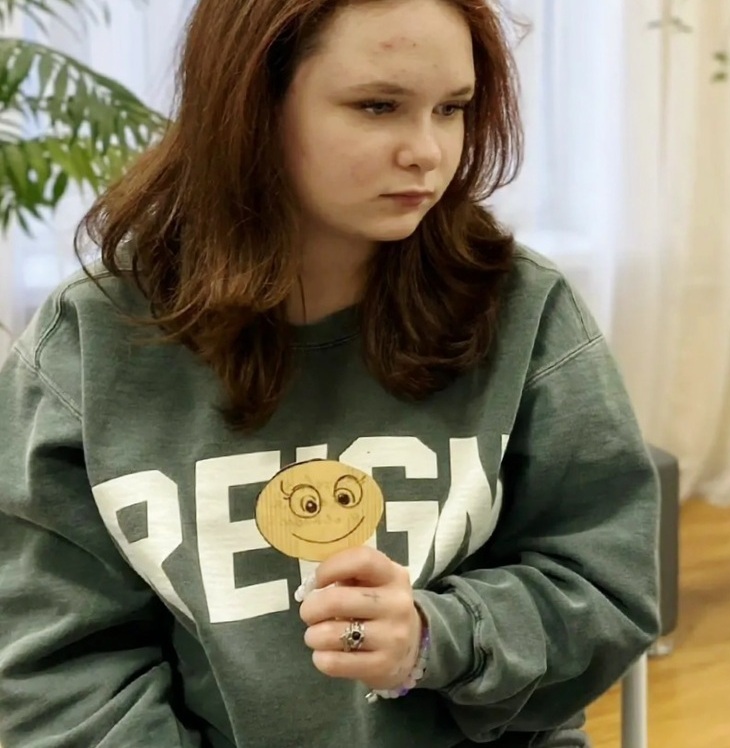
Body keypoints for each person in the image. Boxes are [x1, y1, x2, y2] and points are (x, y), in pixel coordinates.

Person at [0, 0, 660, 746]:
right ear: (249, 106)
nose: (428, 151)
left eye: (451, 108)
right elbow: (54, 671)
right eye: (378, 106)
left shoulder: (523, 310)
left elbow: (607, 582)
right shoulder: (92, 341)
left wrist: (437, 638)